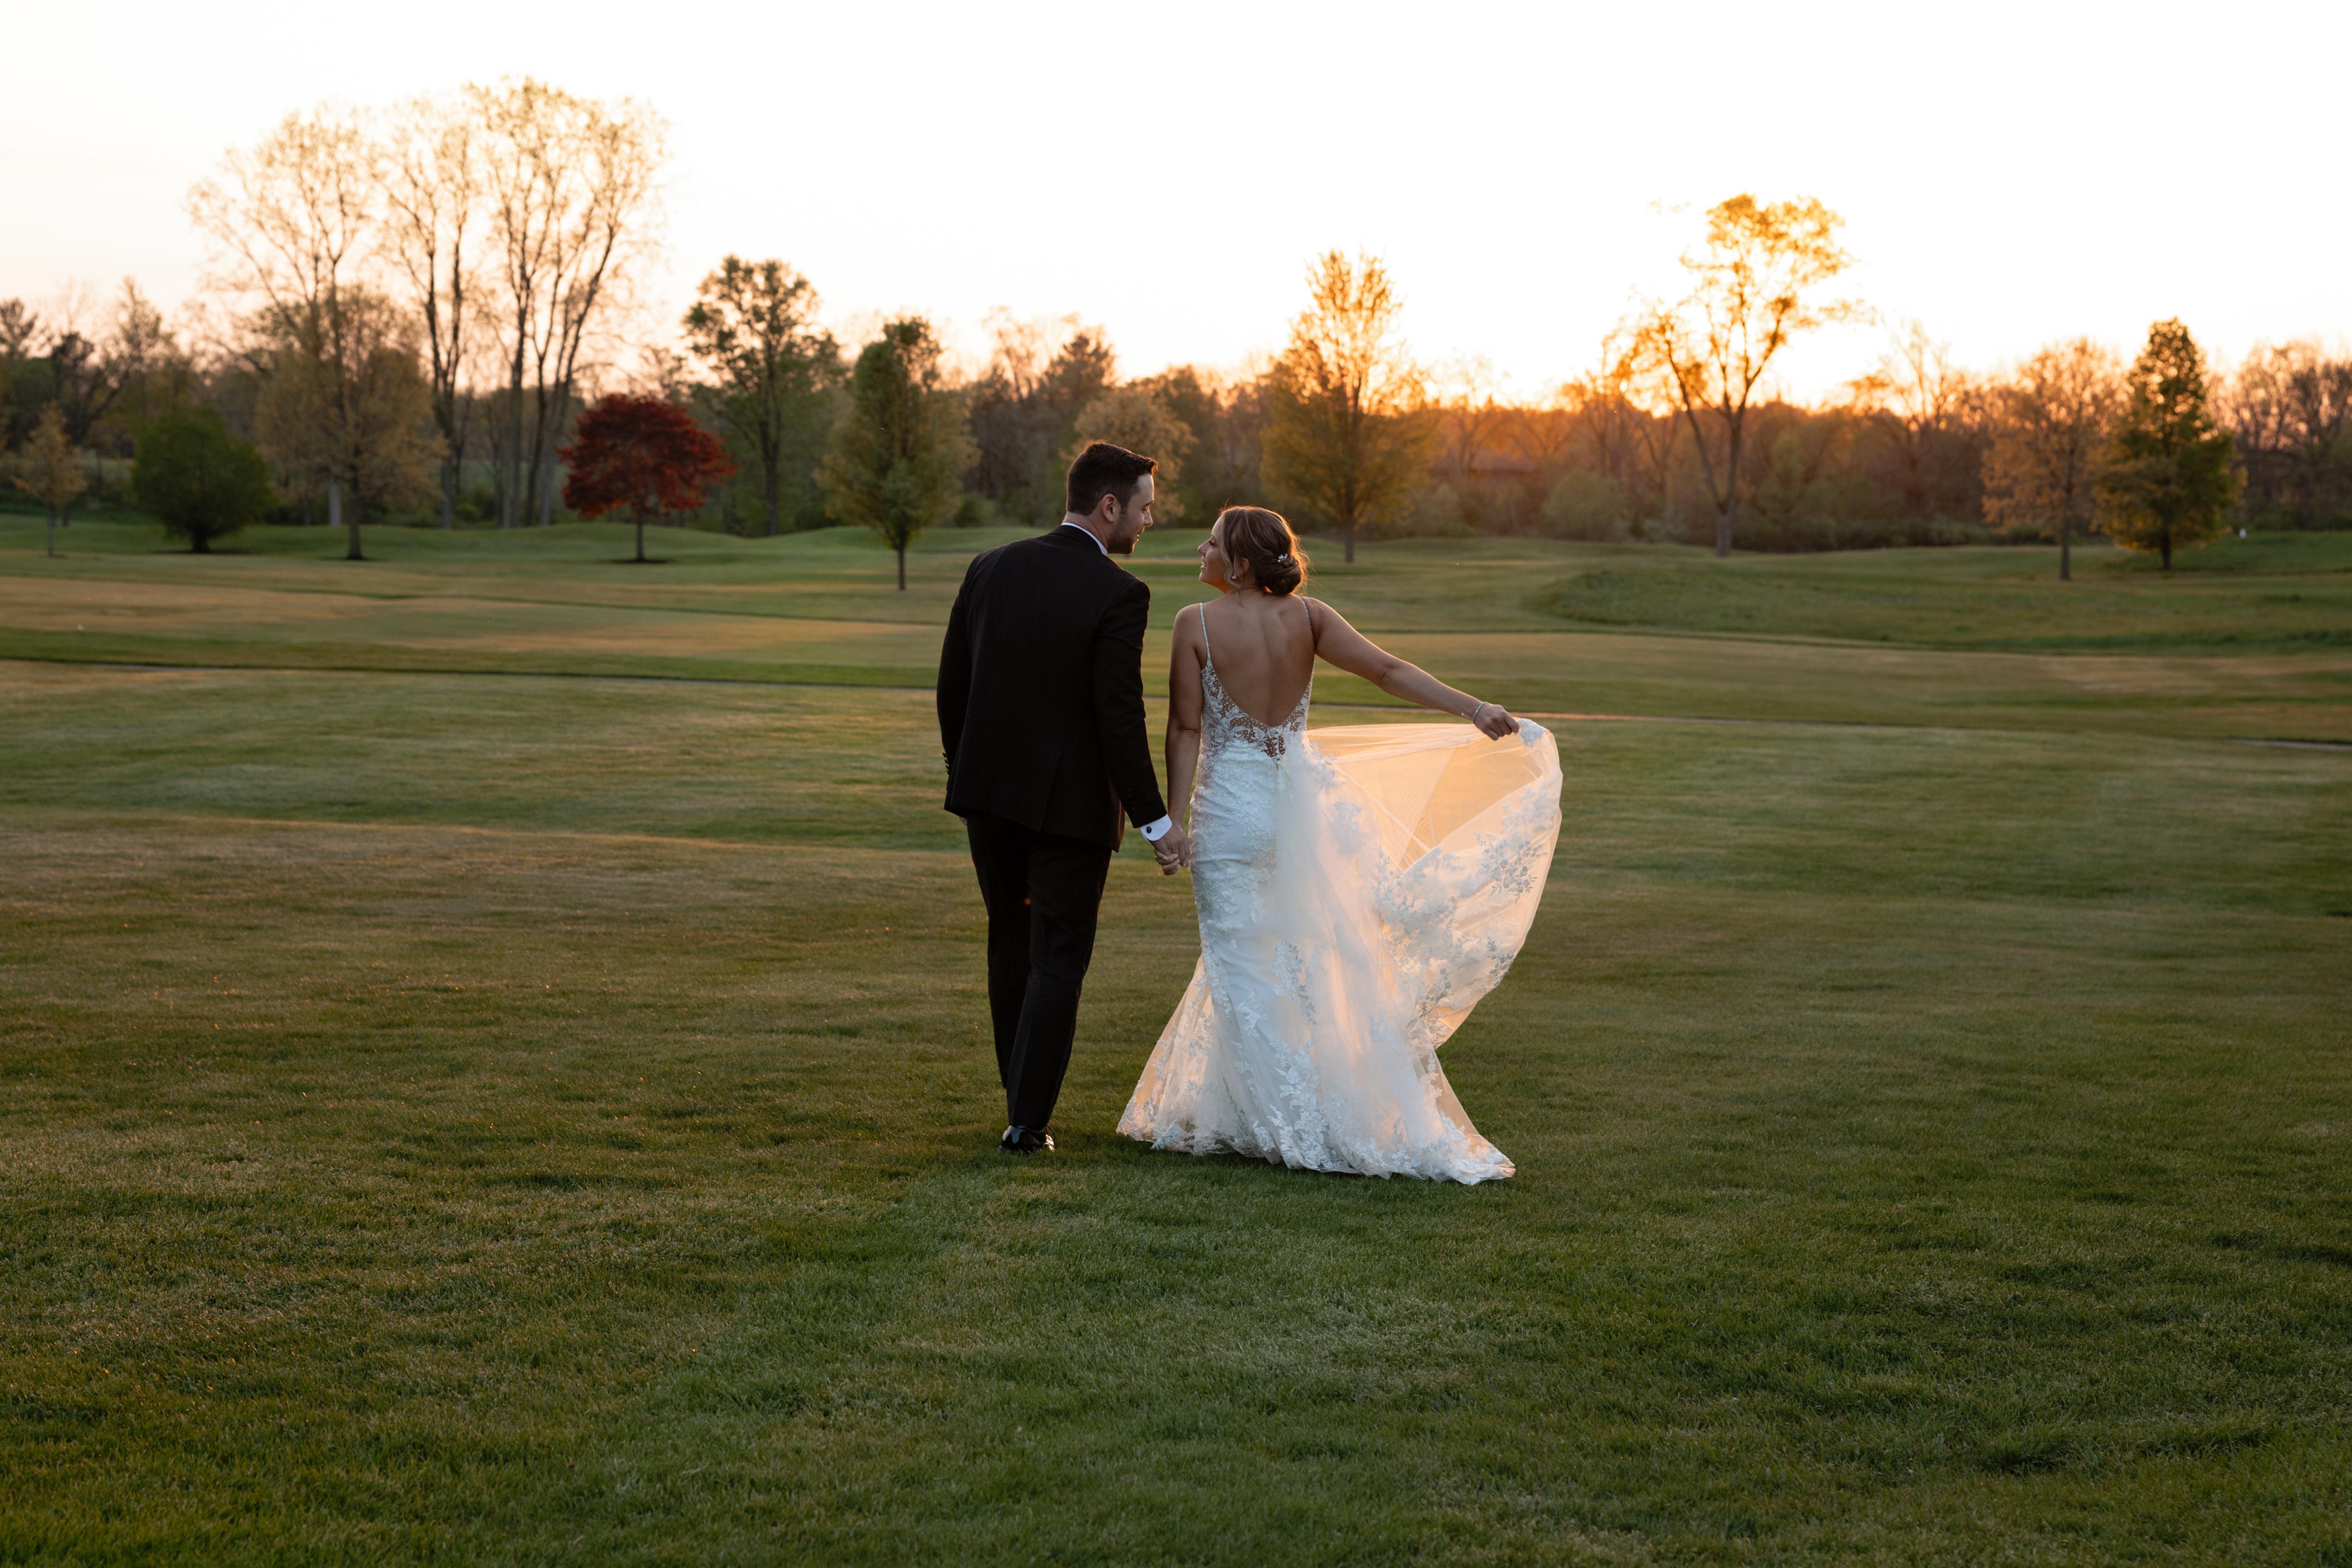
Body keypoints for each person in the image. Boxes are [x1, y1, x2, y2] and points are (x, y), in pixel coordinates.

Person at [1118, 506, 1562, 1182]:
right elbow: (1387, 670)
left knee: (1243, 967)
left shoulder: (1193, 622)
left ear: (1239, 564)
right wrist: (1472, 708)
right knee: (1297, 965)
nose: (1200, 549)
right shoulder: (1309, 617)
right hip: (1299, 808)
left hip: (1231, 814)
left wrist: (1173, 820)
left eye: (1211, 543)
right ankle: (1262, 1111)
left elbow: (1185, 728)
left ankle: (1294, 1125)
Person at [937, 442, 1189, 1155]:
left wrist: (967, 773)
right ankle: (1026, 1122)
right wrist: (1157, 821)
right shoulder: (1120, 592)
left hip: (988, 798)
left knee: (1010, 943)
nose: (1148, 521)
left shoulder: (989, 566)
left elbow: (953, 685)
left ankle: (1019, 1102)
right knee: (1058, 957)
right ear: (1109, 506)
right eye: (1143, 508)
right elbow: (1119, 714)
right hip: (1072, 813)